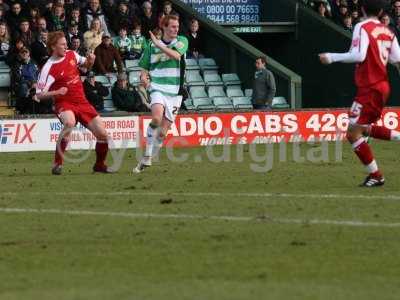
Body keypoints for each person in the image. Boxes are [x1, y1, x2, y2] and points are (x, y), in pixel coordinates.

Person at [319, 0, 400, 187]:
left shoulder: (362, 26)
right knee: (362, 128)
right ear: (381, 11)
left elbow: (358, 55)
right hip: (381, 87)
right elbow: (398, 61)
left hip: (370, 87)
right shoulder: (388, 32)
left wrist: (331, 57)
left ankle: (377, 176)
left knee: (353, 134)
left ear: (362, 8)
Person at [34, 31, 113, 175]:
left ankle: (99, 165)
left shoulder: (71, 54)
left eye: (66, 44)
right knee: (69, 123)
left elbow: (86, 67)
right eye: (62, 44)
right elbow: (38, 95)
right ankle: (57, 163)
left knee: (103, 135)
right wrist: (56, 93)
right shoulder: (48, 68)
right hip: (64, 103)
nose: (66, 46)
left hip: (82, 102)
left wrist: (91, 61)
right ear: (53, 47)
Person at [134, 14, 188, 173]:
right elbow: (144, 69)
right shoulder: (151, 47)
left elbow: (176, 55)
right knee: (156, 118)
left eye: (177, 27)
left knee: (163, 133)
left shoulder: (182, 41)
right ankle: (147, 156)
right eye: (172, 26)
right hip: (157, 87)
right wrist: (144, 78)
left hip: (175, 92)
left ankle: (147, 158)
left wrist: (158, 43)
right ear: (164, 27)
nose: (175, 29)